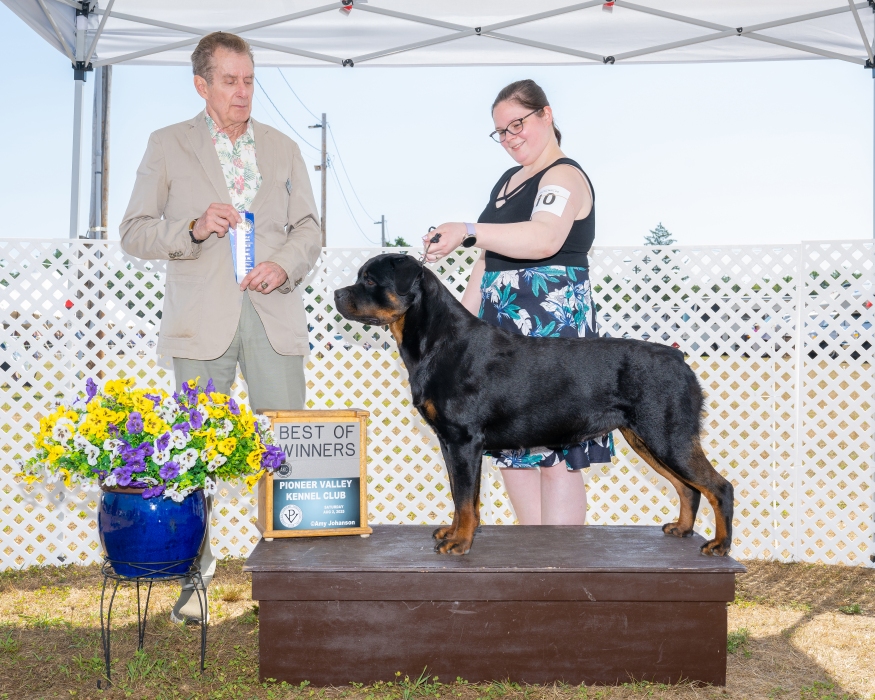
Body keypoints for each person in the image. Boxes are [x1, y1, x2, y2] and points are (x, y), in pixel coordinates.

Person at [120, 31, 321, 623]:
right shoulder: (166, 145)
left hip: (274, 317)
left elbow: (310, 229)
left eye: (249, 80)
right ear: (201, 85)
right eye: (229, 81)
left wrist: (283, 265)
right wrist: (193, 226)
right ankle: (196, 585)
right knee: (192, 458)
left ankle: (289, 588)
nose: (242, 92)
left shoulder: (284, 148)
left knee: (287, 455)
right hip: (199, 326)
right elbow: (133, 232)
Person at [422, 79, 614, 526]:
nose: (510, 138)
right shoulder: (508, 182)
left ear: (546, 115)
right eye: (501, 132)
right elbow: (487, 263)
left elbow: (544, 237)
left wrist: (468, 229)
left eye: (517, 124)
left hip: (551, 322)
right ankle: (533, 564)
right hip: (500, 326)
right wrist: (458, 330)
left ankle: (562, 568)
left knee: (557, 455)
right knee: (512, 453)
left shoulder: (564, 174)